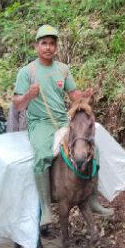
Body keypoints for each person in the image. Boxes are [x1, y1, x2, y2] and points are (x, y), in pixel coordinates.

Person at [12, 24, 111, 232]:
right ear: (36, 46)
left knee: (93, 147)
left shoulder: (63, 69)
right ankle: (46, 208)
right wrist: (29, 95)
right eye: (44, 43)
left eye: (51, 43)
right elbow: (17, 104)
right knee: (41, 156)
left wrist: (85, 97)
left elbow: (74, 96)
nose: (48, 47)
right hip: (39, 123)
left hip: (63, 120)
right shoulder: (26, 72)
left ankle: (92, 198)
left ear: (56, 46)